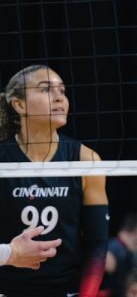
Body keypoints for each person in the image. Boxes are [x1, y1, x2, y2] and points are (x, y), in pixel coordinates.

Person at [0, 65, 110, 297]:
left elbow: (97, 243)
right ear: (19, 105)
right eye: (46, 89)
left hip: (65, 291)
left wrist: (87, 295)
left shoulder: (86, 159)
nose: (60, 97)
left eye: (62, 90)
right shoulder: (3, 159)